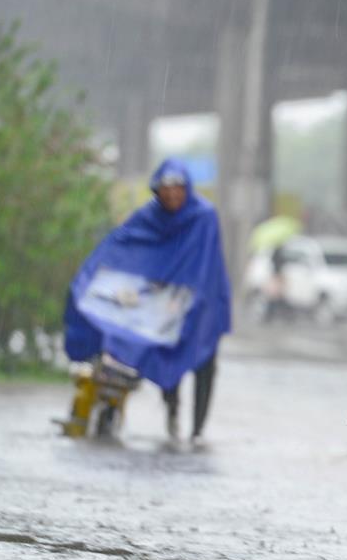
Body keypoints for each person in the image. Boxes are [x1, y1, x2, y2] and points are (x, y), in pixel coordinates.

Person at [64, 158, 231, 445]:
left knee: (204, 361)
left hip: (203, 299)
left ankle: (198, 431)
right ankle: (172, 411)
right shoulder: (149, 216)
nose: (171, 196)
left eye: (177, 189)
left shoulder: (204, 216)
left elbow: (206, 264)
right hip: (159, 302)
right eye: (165, 190)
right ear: (157, 191)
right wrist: (92, 280)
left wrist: (186, 300)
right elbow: (122, 245)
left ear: (186, 189)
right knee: (165, 353)